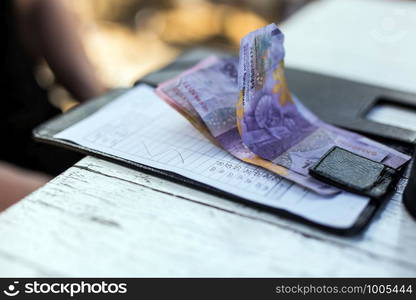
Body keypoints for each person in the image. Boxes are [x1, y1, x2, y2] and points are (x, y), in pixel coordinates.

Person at [2, 0, 107, 211]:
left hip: (48, 136)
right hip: (25, 197)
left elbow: (37, 7)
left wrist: (99, 101)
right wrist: (62, 197)